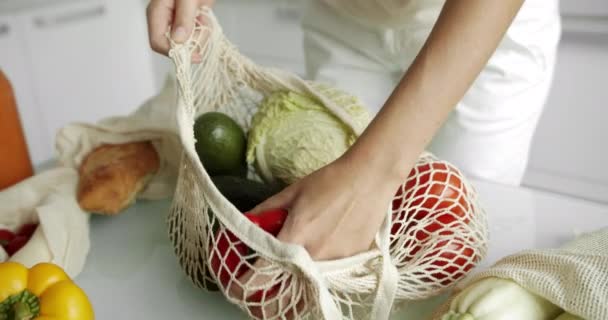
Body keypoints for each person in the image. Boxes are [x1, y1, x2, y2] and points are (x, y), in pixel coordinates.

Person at [146, 0, 560, 261]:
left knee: (465, 223)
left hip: (478, 22)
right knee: (331, 222)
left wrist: (375, 171)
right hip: (343, 19)